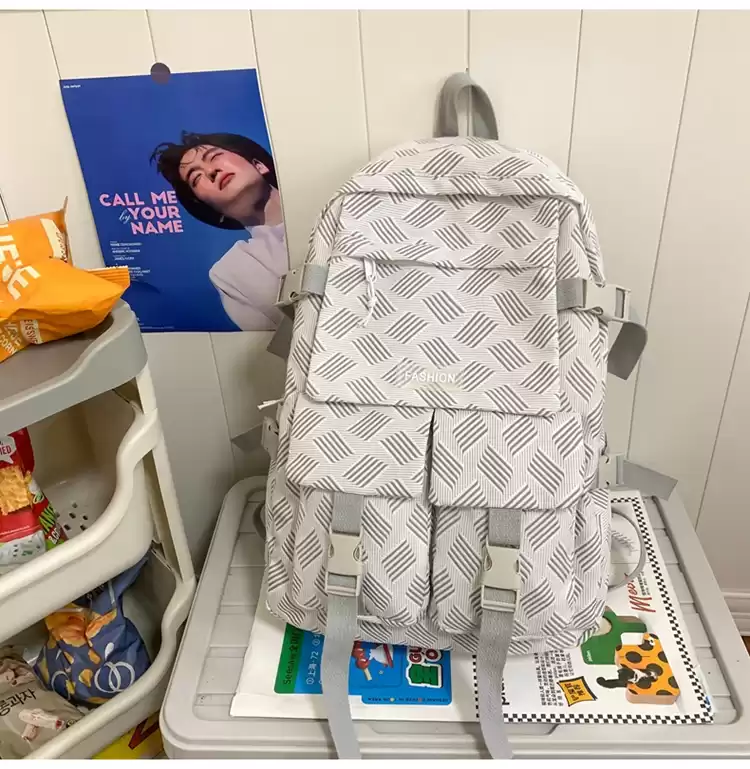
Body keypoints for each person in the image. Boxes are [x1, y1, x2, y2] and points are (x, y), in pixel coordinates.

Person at [151, 131, 288, 331]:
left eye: (214, 157)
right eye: (196, 178)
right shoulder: (230, 273)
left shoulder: (330, 202)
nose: (211, 171)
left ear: (259, 165)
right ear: (210, 208)